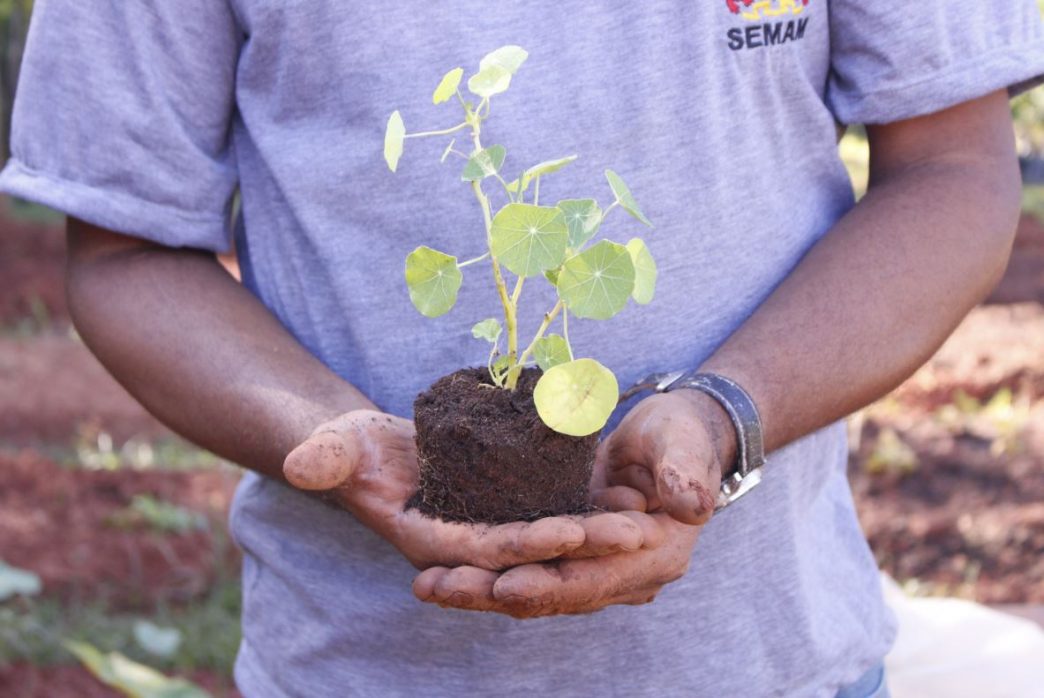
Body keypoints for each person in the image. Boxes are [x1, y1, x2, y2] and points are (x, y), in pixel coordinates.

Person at [4, 1, 1043, 696]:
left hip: (782, 660)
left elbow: (951, 166)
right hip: (359, 670)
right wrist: (334, 434)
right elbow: (127, 247)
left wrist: (725, 408)